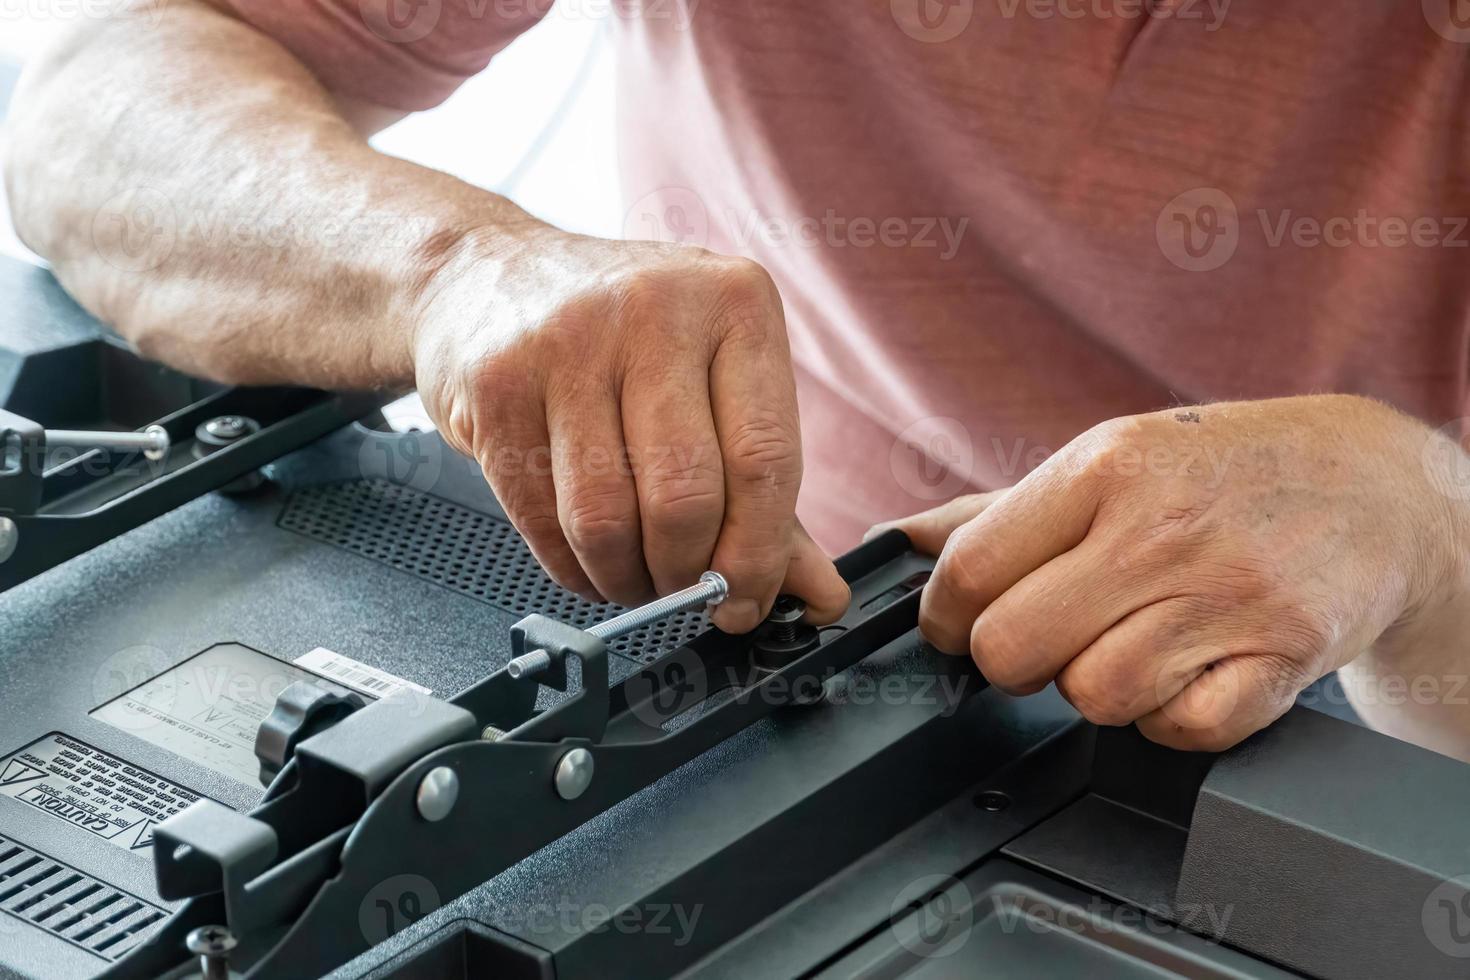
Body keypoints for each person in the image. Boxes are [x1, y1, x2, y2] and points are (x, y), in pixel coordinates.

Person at [6, 0, 1469, 760]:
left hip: (1398, 691)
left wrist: (1423, 526)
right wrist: (453, 266)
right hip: (759, 603)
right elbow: (99, 95)